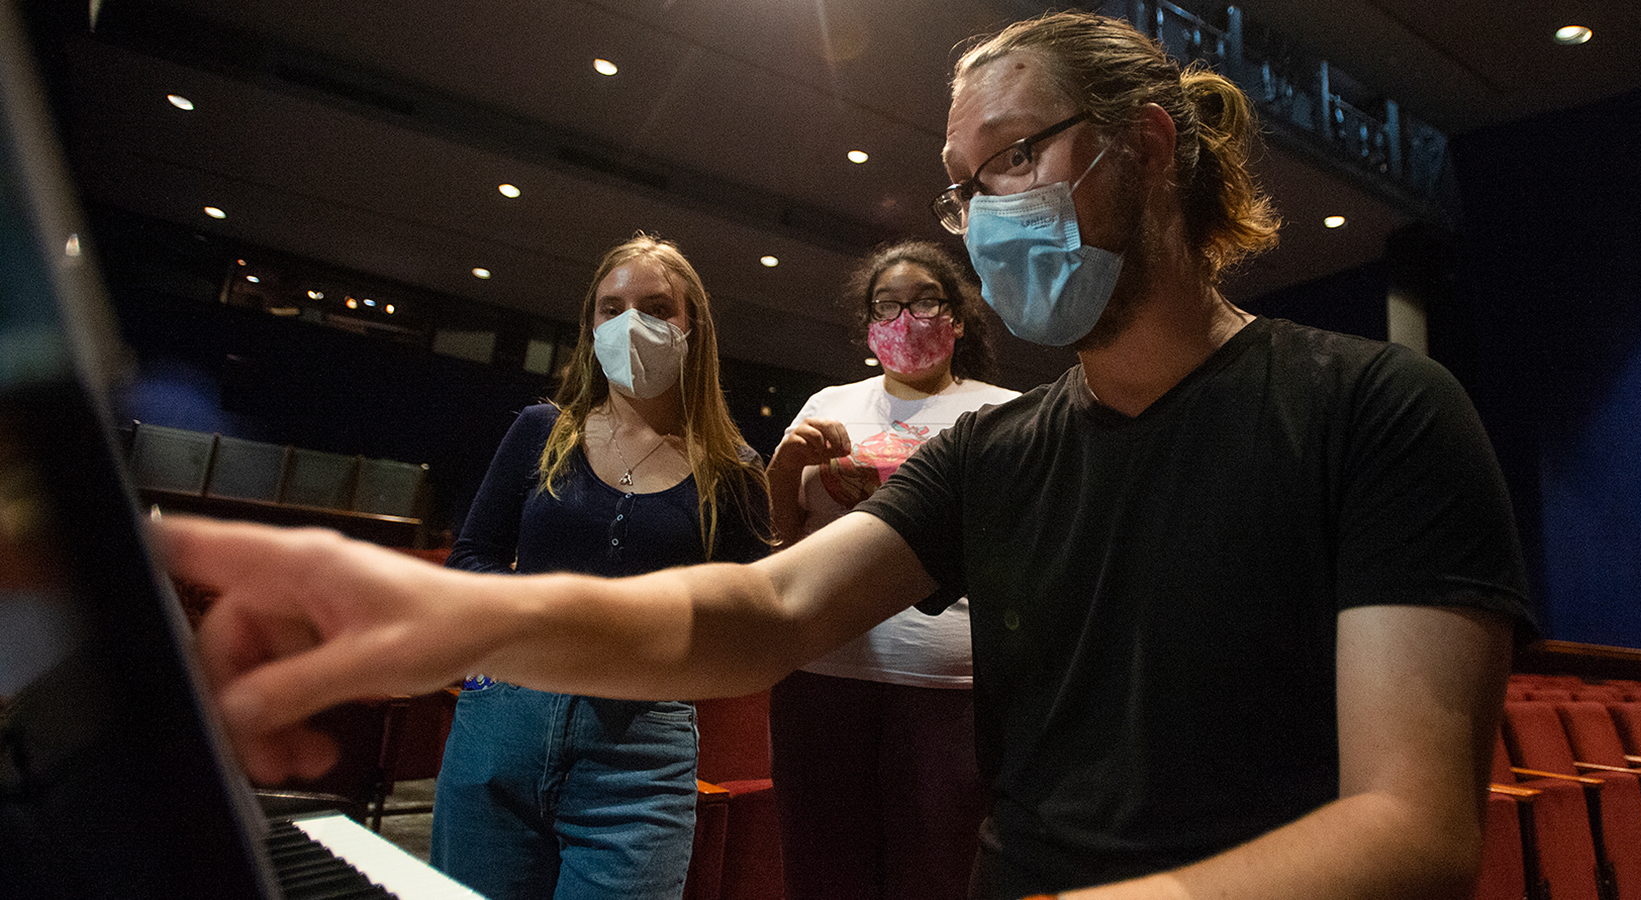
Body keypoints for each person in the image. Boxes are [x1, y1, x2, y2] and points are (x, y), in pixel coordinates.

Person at [163, 11, 1530, 899]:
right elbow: (762, 610)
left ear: (1149, 148)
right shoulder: (1008, 451)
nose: (984, 213)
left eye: (1015, 158)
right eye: (964, 178)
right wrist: (457, 612)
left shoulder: (1380, 411)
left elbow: (1413, 830)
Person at [427, 232, 771, 900]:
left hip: (640, 754)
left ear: (690, 326)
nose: (630, 323)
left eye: (655, 306)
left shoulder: (735, 469)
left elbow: (751, 628)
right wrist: (546, 617)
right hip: (503, 722)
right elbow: (472, 557)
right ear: (590, 327)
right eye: (611, 308)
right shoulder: (540, 429)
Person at [766, 240, 1018, 900]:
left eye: (926, 301)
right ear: (870, 324)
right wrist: (785, 471)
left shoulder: (1007, 413)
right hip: (820, 674)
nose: (905, 318)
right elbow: (783, 549)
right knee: (822, 874)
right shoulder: (828, 402)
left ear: (959, 319)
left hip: (950, 689)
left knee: (937, 878)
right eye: (888, 306)